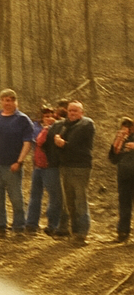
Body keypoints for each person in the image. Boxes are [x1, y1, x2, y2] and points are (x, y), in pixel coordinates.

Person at [0, 89, 35, 236]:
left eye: (10, 100)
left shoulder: (22, 119)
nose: (7, 103)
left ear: (15, 102)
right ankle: (1, 226)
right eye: (4, 100)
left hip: (13, 165)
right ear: (0, 102)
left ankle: (19, 227)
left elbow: (27, 143)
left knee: (16, 198)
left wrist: (19, 161)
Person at [53, 100, 96, 245]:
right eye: (70, 110)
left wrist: (62, 142)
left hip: (80, 167)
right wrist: (58, 141)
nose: (72, 113)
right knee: (69, 201)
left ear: (81, 113)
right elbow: (54, 140)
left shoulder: (86, 124)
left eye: (75, 111)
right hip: (66, 166)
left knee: (80, 200)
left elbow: (75, 143)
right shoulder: (65, 125)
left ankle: (83, 232)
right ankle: (75, 231)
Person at [25, 105, 64, 236]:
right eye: (46, 116)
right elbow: (37, 140)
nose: (48, 118)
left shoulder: (57, 128)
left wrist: (52, 127)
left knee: (54, 196)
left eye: (51, 116)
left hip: (50, 166)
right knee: (35, 196)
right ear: (41, 117)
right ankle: (31, 223)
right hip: (37, 166)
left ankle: (53, 225)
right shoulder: (36, 127)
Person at [107, 117, 134, 242]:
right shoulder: (122, 139)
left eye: (129, 126)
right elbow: (113, 159)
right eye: (124, 127)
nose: (126, 129)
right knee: (124, 204)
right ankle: (123, 232)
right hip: (124, 176)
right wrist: (116, 144)